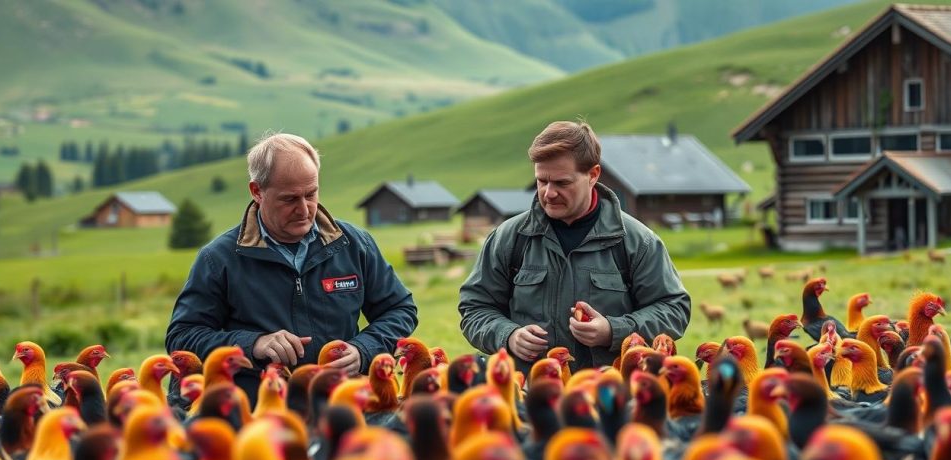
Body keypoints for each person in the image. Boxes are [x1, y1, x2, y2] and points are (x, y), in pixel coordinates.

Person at [166, 132, 418, 404]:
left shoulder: (354, 245)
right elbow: (182, 338)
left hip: (340, 409)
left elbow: (400, 310)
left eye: (311, 194)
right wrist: (254, 344)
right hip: (255, 415)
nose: (304, 209)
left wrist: (364, 350)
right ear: (257, 192)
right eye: (289, 199)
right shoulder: (219, 259)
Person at [458, 121, 690, 372]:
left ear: (593, 175)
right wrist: (508, 336)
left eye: (561, 183)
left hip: (608, 396)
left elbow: (673, 310)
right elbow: (474, 308)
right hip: (528, 399)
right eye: (541, 181)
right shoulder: (509, 238)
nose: (548, 193)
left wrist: (613, 331)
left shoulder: (637, 242)